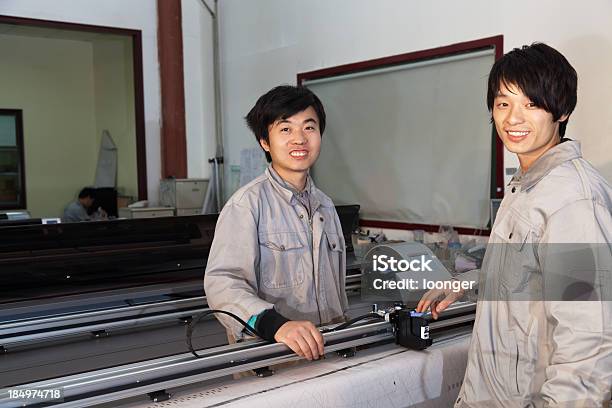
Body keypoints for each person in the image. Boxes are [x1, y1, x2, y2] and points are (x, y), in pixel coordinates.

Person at [417, 43, 612, 406]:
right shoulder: (528, 183)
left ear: (563, 110)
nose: (513, 118)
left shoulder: (573, 201)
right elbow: (529, 271)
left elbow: (590, 346)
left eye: (531, 104)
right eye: (503, 103)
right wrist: (465, 283)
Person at [204, 85, 348, 361]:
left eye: (309, 127)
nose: (299, 139)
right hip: (272, 362)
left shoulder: (326, 207)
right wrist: (276, 325)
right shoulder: (247, 205)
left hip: (328, 355)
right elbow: (223, 283)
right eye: (285, 129)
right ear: (264, 142)